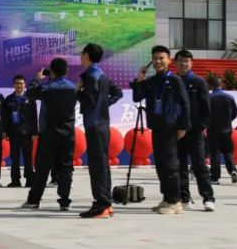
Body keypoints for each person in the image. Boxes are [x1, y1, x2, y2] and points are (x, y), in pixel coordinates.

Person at [131, 45, 190, 215]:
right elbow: (137, 97)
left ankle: (175, 201)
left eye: (161, 58)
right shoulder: (151, 81)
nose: (157, 61)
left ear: (169, 60)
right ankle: (167, 198)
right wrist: (140, 78)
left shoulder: (175, 80)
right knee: (161, 165)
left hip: (171, 127)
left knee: (171, 165)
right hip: (156, 127)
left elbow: (185, 104)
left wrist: (183, 126)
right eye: (155, 58)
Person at [21, 58, 77, 211]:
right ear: (66, 71)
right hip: (68, 134)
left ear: (51, 71)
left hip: (49, 134)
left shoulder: (48, 88)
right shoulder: (74, 88)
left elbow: (30, 93)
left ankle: (34, 200)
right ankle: (64, 201)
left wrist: (37, 79)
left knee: (42, 168)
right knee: (66, 168)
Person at [77, 43, 123, 218]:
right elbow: (117, 93)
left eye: (82, 53)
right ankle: (106, 202)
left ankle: (101, 203)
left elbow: (88, 100)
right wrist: (104, 105)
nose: (81, 57)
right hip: (103, 124)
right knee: (103, 164)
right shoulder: (101, 74)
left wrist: (77, 91)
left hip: (94, 125)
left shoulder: (90, 76)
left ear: (87, 55)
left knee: (97, 165)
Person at [174, 50, 215, 212]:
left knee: (199, 165)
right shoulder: (172, 81)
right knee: (180, 166)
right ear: (175, 63)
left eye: (187, 61)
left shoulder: (199, 82)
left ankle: (208, 198)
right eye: (181, 61)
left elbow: (206, 107)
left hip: (195, 131)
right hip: (177, 131)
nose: (184, 64)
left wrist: (202, 126)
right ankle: (184, 198)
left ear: (191, 63)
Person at [2, 74, 37, 188]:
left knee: (28, 158)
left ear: (25, 85)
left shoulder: (30, 99)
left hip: (27, 134)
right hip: (13, 134)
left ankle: (30, 180)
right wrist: (5, 131)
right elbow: (5, 117)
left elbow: (34, 117)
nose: (19, 86)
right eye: (17, 83)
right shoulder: (8, 100)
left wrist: (34, 132)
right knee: (14, 158)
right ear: (13, 85)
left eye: (21, 83)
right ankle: (15, 180)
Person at [208, 76, 237, 184]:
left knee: (215, 154)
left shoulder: (209, 98)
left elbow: (205, 113)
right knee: (228, 151)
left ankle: (215, 177)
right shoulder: (229, 97)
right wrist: (228, 121)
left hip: (213, 129)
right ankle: (233, 170)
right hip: (227, 129)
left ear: (210, 86)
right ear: (221, 85)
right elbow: (235, 112)